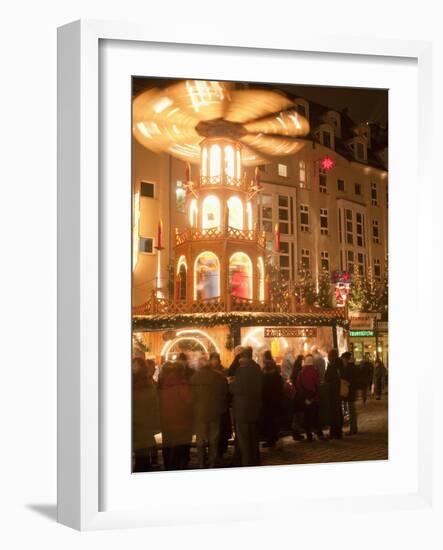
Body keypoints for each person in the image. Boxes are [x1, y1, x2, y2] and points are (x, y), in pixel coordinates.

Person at [190, 356, 227, 468]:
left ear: (200, 365)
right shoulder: (218, 377)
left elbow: (191, 397)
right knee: (214, 438)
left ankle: (201, 462)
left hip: (200, 412)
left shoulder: (194, 378)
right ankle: (212, 461)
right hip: (215, 411)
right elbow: (224, 393)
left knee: (200, 439)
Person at [229, 348, 263, 466]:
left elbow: (238, 389)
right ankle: (255, 460)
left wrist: (231, 384)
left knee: (243, 439)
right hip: (254, 408)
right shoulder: (257, 368)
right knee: (253, 437)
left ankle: (246, 463)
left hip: (242, 410)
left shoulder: (241, 371)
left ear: (243, 358)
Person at [158, 361, 194, 470]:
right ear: (182, 371)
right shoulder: (181, 384)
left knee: (167, 445)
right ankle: (176, 467)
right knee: (179, 446)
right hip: (181, 420)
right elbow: (189, 400)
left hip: (166, 419)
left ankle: (167, 465)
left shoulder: (165, 382)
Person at [132, 357, 160, 472]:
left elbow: (149, 401)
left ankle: (142, 469)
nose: (132, 367)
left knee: (141, 451)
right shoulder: (144, 382)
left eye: (135, 365)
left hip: (140, 420)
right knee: (141, 450)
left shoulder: (143, 382)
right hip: (141, 419)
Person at [296, 354, 325, 442]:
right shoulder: (315, 372)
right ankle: (319, 434)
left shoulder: (301, 373)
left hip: (306, 399)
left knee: (307, 418)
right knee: (316, 417)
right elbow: (318, 385)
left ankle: (309, 436)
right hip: (314, 398)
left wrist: (304, 397)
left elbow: (298, 385)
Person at [209, 352, 232, 458]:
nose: (215, 361)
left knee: (223, 428)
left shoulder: (224, 371)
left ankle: (222, 449)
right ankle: (215, 451)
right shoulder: (208, 372)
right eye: (213, 359)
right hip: (213, 405)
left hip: (222, 404)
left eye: (216, 359)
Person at [261, 351, 284, 449]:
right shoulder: (276, 373)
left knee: (268, 421)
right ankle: (274, 440)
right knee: (274, 421)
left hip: (267, 400)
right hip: (276, 400)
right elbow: (280, 385)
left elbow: (262, 387)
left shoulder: (264, 374)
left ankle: (270, 440)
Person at [324, 349, 343, 439]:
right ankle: (339, 431)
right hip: (339, 390)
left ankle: (334, 432)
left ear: (331, 356)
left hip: (333, 390)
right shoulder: (340, 363)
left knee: (334, 412)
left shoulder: (332, 364)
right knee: (338, 410)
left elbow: (327, 377)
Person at [340, 352, 359, 435]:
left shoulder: (348, 368)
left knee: (352, 411)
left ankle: (353, 429)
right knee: (353, 410)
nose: (342, 361)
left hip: (349, 391)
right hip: (353, 391)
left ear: (346, 359)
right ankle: (354, 428)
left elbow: (345, 378)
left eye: (343, 359)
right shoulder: (354, 367)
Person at [290, 354, 305, 440]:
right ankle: (296, 433)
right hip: (299, 395)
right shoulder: (300, 371)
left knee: (296, 415)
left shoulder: (294, 371)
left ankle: (295, 433)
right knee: (299, 415)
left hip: (295, 395)